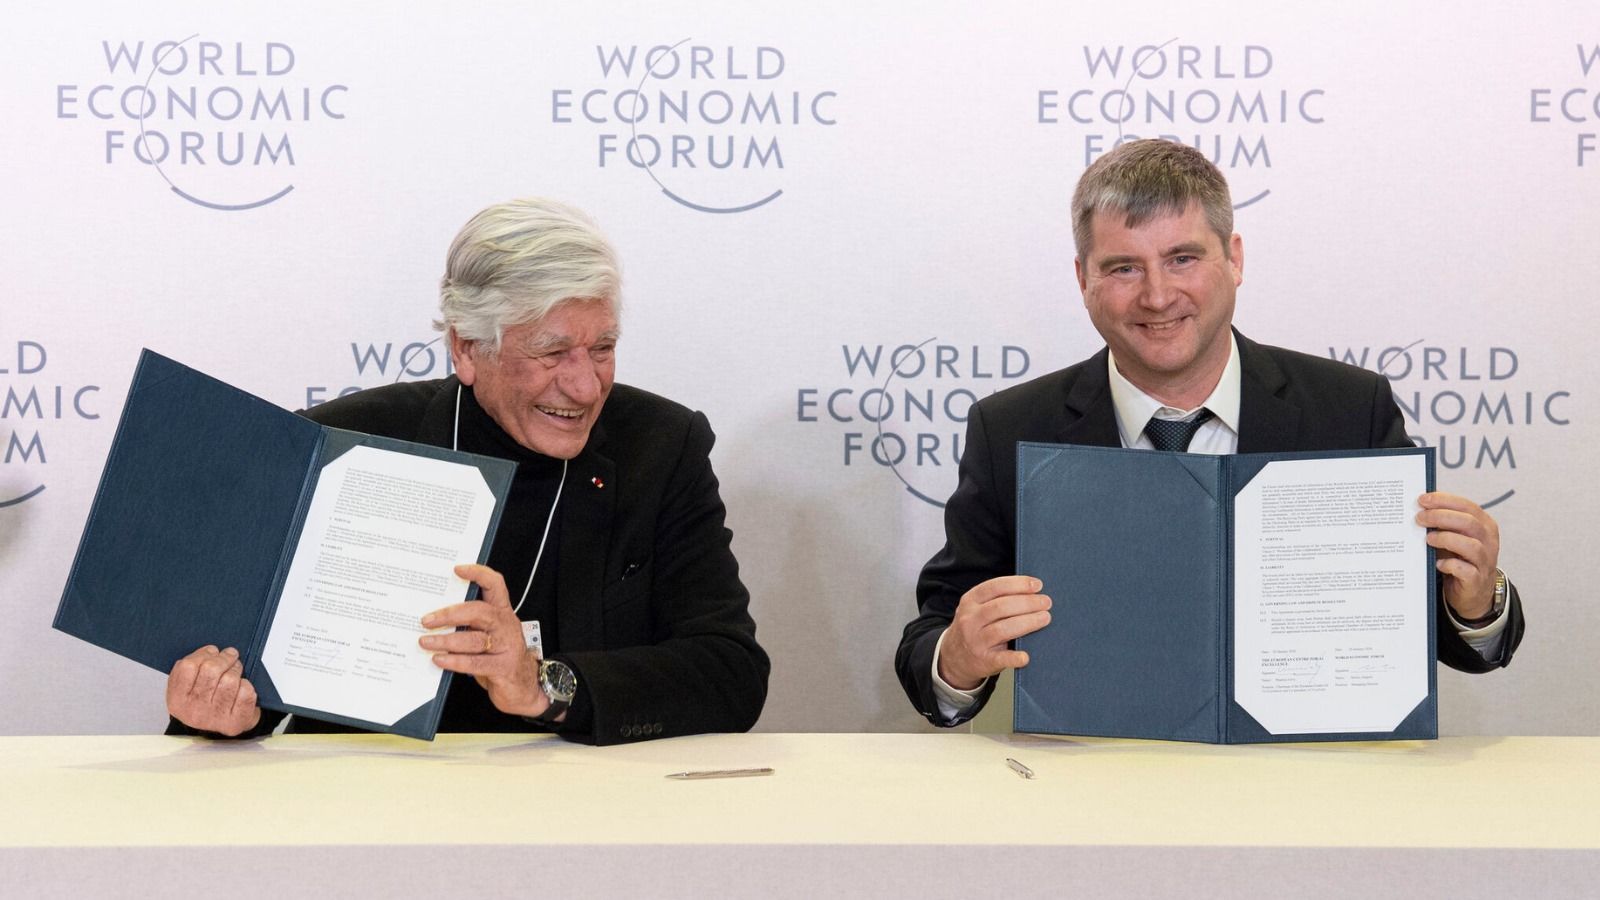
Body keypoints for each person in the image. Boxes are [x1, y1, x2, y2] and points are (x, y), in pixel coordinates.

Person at [896, 139, 1525, 725]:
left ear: (1235, 258)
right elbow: (932, 643)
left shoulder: (1348, 409)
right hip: (1094, 784)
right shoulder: (1010, 428)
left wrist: (1475, 602)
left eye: (1182, 259)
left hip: (1307, 781)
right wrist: (958, 657)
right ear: (1082, 279)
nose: (1158, 295)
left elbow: (1442, 641)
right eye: (1122, 268)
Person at [166, 198, 769, 744]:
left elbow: (731, 672)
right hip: (372, 809)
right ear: (466, 349)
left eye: (603, 349)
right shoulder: (347, 446)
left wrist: (544, 687)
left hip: (590, 813)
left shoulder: (660, 446)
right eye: (552, 352)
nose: (586, 386)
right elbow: (256, 679)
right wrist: (222, 712)